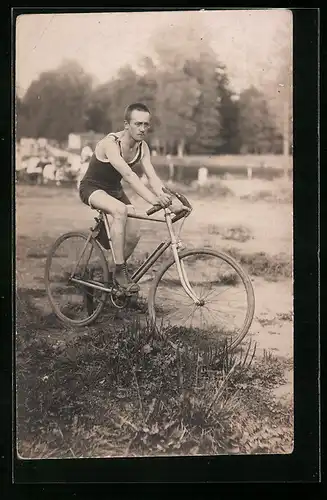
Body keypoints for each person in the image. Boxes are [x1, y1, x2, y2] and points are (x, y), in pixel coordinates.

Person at [79, 102, 178, 292]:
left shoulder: (143, 147)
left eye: (146, 125)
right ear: (126, 125)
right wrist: (152, 200)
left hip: (114, 191)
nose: (142, 129)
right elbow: (129, 176)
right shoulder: (110, 143)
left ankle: (108, 275)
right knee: (120, 210)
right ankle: (119, 270)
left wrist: (167, 199)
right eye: (137, 124)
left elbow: (152, 177)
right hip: (92, 188)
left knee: (134, 235)